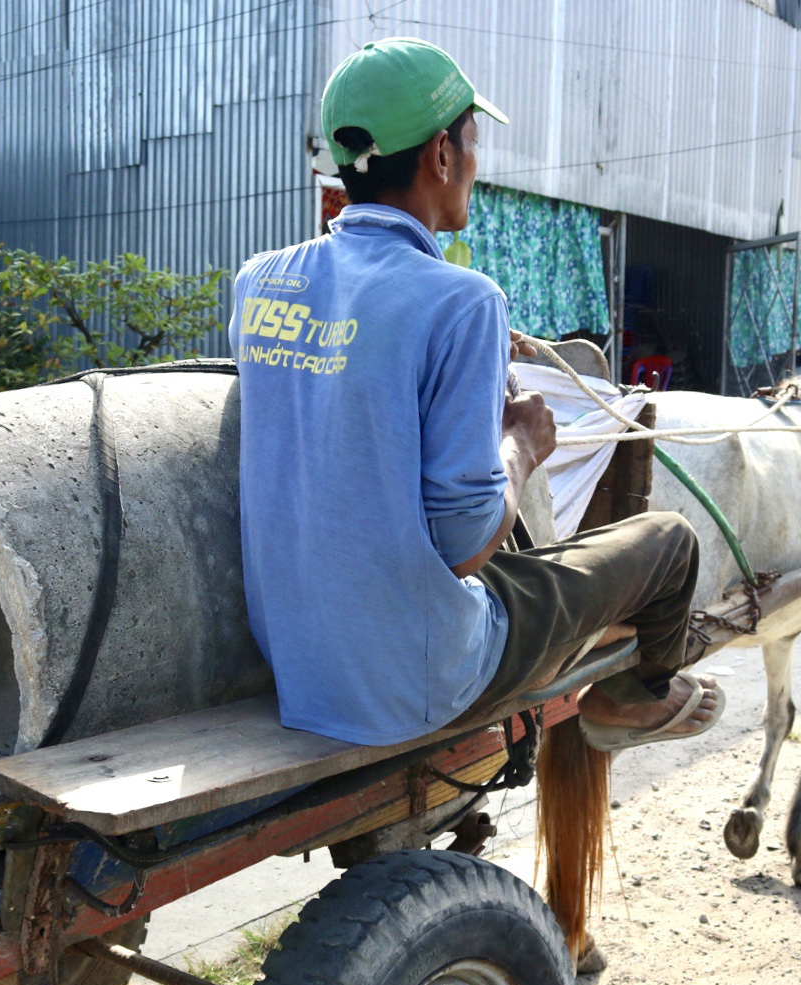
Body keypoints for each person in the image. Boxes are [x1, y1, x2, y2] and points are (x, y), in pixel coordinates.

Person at [231, 36, 721, 749]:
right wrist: (522, 443)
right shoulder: (464, 302)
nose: (474, 162)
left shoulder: (258, 279)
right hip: (413, 674)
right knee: (670, 541)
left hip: (297, 656)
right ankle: (633, 694)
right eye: (471, 141)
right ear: (438, 156)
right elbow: (461, 548)